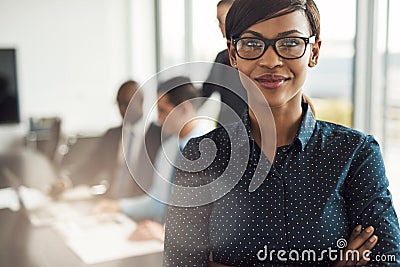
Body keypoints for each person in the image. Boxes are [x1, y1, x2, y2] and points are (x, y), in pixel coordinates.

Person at [163, 0, 400, 266]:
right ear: (233, 55)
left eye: (290, 43)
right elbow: (179, 262)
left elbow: (387, 260)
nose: (270, 61)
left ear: (314, 52)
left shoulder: (356, 153)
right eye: (252, 44)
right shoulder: (201, 156)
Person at [94, 76, 214, 226]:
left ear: (183, 108)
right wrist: (119, 206)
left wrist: (166, 235)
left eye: (163, 110)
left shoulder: (214, 147)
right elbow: (158, 201)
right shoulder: (168, 148)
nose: (158, 119)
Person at [51, 80, 150, 198]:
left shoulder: (155, 136)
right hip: (110, 202)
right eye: (119, 103)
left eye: (126, 103)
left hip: (139, 208)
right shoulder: (112, 135)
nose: (122, 109)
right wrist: (65, 182)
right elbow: (90, 166)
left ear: (141, 101)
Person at [202, 0, 248, 125]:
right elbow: (206, 91)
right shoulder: (221, 57)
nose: (220, 25)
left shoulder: (256, 56)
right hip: (226, 129)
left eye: (223, 18)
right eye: (218, 20)